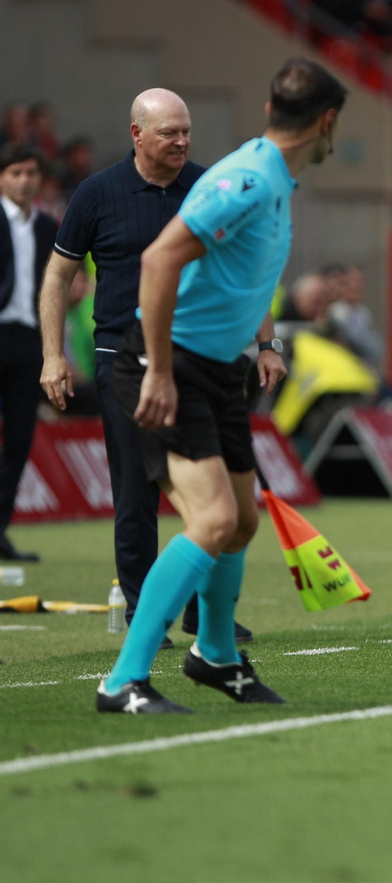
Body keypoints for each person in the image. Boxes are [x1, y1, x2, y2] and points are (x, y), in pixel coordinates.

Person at [94, 57, 345, 714]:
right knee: (213, 521)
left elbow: (243, 278)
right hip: (169, 362)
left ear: (269, 113)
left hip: (218, 369)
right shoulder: (248, 180)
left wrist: (264, 346)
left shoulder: (271, 173)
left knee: (241, 525)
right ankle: (123, 680)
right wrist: (160, 369)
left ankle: (215, 656)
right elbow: (158, 258)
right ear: (328, 124)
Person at [41, 90, 279, 646]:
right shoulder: (96, 194)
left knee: (216, 494)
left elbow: (245, 269)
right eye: (169, 132)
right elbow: (57, 278)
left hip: (200, 358)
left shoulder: (209, 186)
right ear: (136, 134)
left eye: (186, 132)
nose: (181, 141)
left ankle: (205, 614)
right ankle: (148, 617)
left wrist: (269, 344)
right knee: (136, 494)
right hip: (122, 362)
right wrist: (53, 354)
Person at [0, 144, 57, 564]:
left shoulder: (46, 227)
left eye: (31, 172)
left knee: (20, 439)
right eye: (16, 172)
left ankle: (0, 530)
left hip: (28, 340)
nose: (24, 180)